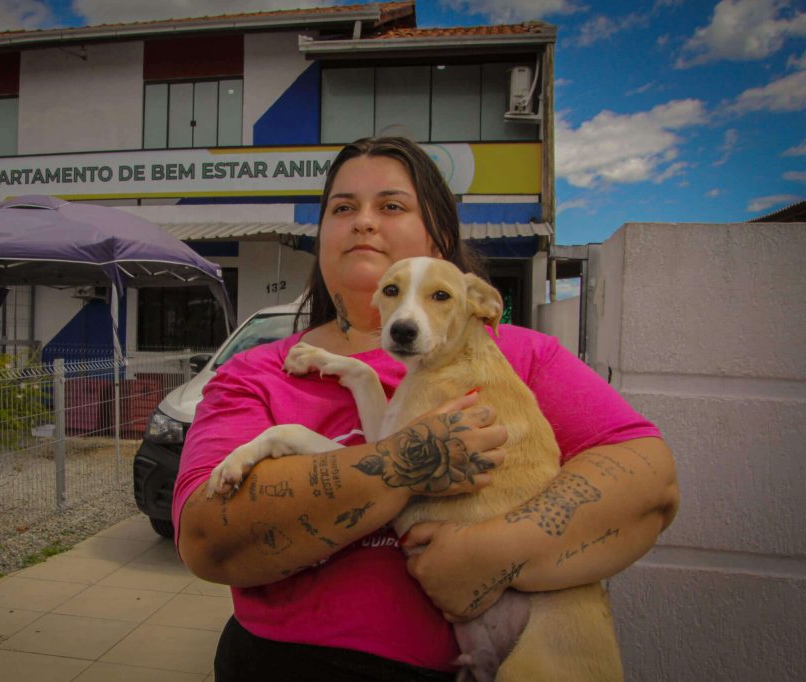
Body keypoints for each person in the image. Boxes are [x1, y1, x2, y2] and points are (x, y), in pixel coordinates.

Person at [173, 137, 680, 681]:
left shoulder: (517, 354)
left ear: (438, 240)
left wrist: (488, 553)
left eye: (391, 205)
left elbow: (652, 484)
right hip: (281, 663)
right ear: (320, 238)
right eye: (342, 208)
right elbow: (205, 540)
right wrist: (404, 463)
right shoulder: (255, 372)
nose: (363, 222)